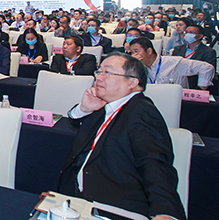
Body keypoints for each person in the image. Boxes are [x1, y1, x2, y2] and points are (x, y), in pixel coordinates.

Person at [58, 54, 185, 220]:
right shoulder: (108, 104)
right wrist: (84, 108)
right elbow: (75, 122)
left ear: (132, 82)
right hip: (77, 198)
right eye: (99, 71)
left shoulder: (141, 112)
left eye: (107, 73)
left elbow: (154, 162)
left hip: (110, 206)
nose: (99, 78)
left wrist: (166, 211)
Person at [128, 37, 214, 90]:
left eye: (136, 51)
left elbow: (206, 67)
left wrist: (201, 88)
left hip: (178, 103)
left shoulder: (174, 62)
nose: (134, 55)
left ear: (149, 51)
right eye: (132, 52)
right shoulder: (140, 68)